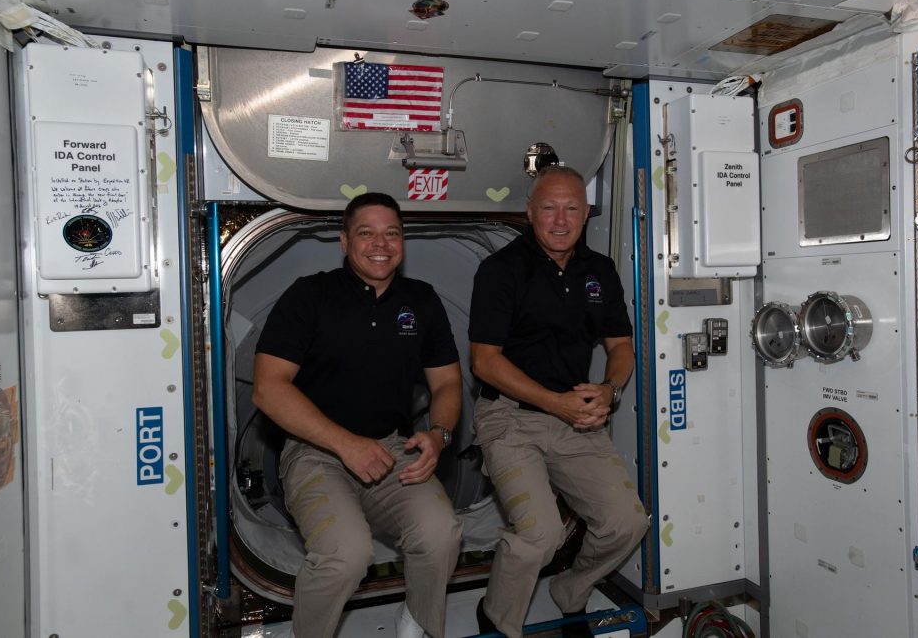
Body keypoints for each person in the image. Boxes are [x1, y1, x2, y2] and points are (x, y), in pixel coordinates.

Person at [252, 192, 462, 638]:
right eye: (366, 233)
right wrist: (346, 445)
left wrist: (439, 433)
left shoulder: (421, 301)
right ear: (345, 242)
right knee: (346, 552)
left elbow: (446, 384)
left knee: (441, 532)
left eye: (392, 233)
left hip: (391, 446)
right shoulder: (310, 295)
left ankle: (418, 625)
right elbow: (269, 390)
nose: (380, 244)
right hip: (315, 452)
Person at [468, 166, 650, 638]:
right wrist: (554, 403)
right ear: (530, 213)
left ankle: (571, 591)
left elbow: (621, 347)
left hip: (576, 415)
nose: (561, 219)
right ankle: (497, 619)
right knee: (540, 534)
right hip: (510, 416)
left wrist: (608, 391)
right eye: (549, 207)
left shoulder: (599, 272)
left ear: (587, 213)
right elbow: (485, 363)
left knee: (627, 523)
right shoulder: (501, 271)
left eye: (572, 207)